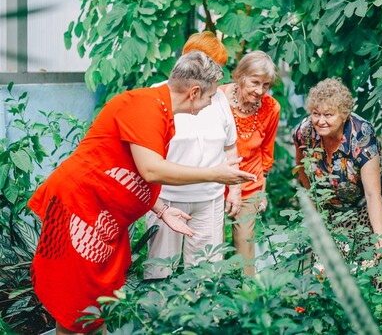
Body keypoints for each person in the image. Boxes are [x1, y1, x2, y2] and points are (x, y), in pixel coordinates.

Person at [28, 51, 256, 335]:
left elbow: (133, 172)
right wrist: (216, 174)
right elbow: (151, 170)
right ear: (195, 92)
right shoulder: (145, 106)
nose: (211, 103)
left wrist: (161, 209)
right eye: (210, 97)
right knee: (76, 306)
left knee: (98, 305)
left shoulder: (160, 110)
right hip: (80, 207)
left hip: (105, 216)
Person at [145, 32, 242, 278]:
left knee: (206, 271)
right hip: (167, 198)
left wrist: (236, 189)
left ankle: (205, 315)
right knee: (160, 268)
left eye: (218, 68)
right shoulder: (159, 95)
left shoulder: (218, 98)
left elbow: (230, 145)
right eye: (211, 66)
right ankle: (158, 313)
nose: (216, 75)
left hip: (209, 197)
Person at [293, 77, 382, 261]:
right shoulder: (304, 132)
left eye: (328, 115)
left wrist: (380, 236)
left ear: (343, 115)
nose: (320, 121)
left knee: (366, 261)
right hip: (328, 203)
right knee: (326, 263)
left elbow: (372, 194)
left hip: (362, 204)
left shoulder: (362, 137)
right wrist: (315, 204)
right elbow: (301, 169)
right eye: (315, 113)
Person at [219, 50, 281, 276]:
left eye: (265, 85)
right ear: (240, 76)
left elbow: (266, 152)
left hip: (249, 185)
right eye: (255, 82)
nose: (260, 91)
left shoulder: (271, 107)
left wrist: (262, 192)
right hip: (215, 181)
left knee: (245, 253)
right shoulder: (217, 99)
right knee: (212, 250)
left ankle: (245, 302)